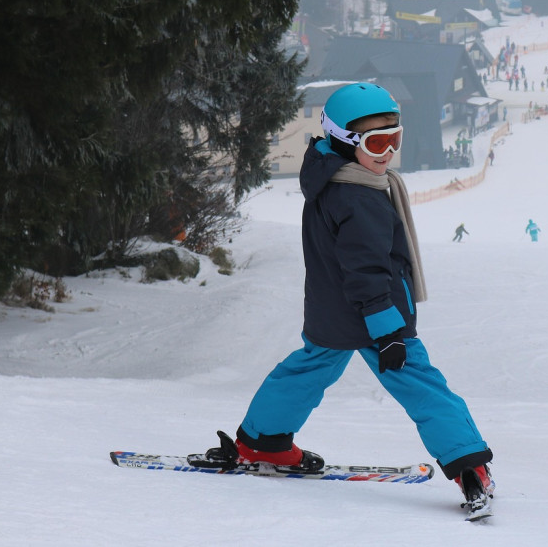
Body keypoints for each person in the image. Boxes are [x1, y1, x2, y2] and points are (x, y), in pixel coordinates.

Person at [198, 82, 493, 509]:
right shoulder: (360, 197)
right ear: (344, 139)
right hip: (376, 315)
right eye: (377, 141)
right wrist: (388, 330)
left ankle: (263, 442)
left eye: (395, 138)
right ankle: (468, 463)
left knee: (305, 372)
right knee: (422, 386)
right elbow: (367, 270)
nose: (388, 152)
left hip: (330, 310)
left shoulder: (329, 177)